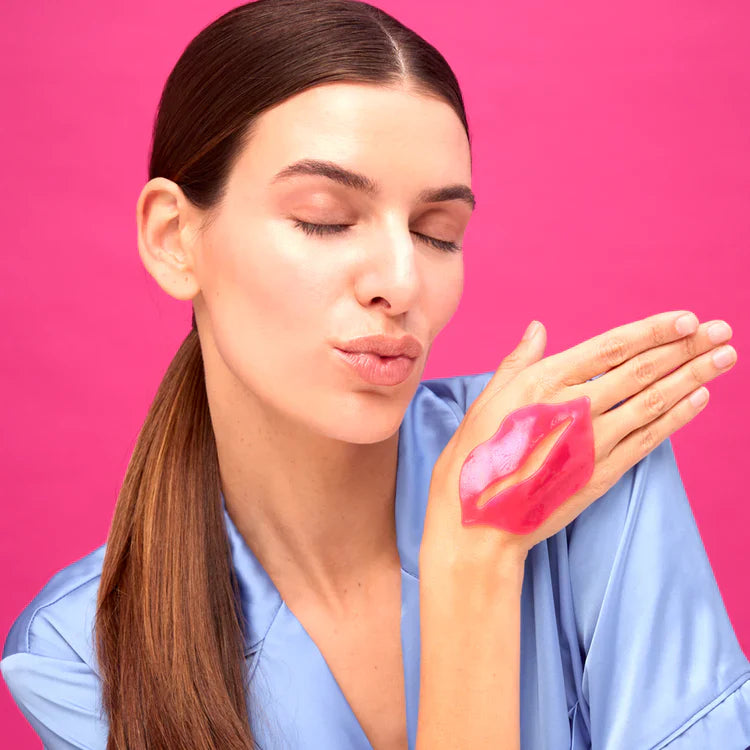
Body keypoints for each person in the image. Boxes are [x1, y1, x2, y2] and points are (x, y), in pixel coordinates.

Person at [2, 1, 748, 748]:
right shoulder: (80, 655)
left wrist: (473, 554)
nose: (401, 280)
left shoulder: (576, 465)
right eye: (324, 218)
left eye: (436, 233)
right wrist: (472, 567)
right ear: (174, 238)